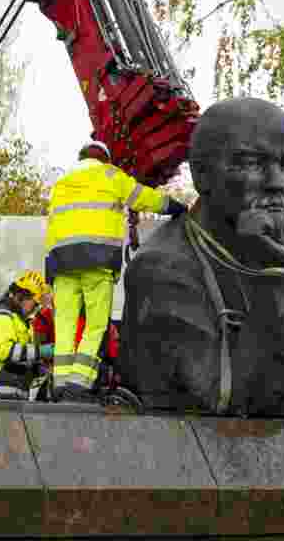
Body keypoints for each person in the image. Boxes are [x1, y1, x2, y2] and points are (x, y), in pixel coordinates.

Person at [119, 97, 284, 417]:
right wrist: (277, 280)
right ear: (201, 174)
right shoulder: (164, 271)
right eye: (251, 163)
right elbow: (220, 398)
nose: (278, 183)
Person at [44, 140, 187, 403]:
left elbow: (52, 225)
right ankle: (77, 384)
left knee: (64, 325)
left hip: (61, 264)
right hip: (96, 261)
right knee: (95, 325)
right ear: (105, 158)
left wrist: (49, 267)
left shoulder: (61, 184)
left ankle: (59, 384)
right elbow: (144, 197)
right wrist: (175, 207)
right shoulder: (110, 175)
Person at [0, 270, 55, 400]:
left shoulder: (20, 322)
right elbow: (4, 351)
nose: (35, 308)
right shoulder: (2, 317)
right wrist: (42, 351)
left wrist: (41, 368)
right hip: (0, 392)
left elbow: (23, 358)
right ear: (21, 296)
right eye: (34, 303)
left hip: (13, 391)